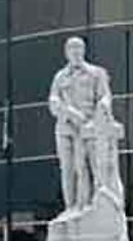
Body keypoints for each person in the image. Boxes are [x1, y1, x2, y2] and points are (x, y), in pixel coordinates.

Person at [48, 37, 113, 214]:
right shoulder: (60, 77)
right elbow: (53, 102)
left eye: (78, 48)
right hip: (66, 128)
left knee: (89, 167)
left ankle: (90, 204)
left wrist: (104, 106)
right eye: (71, 49)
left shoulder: (96, 73)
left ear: (84, 51)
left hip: (88, 127)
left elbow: (105, 96)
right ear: (66, 52)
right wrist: (68, 112)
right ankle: (71, 207)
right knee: (67, 168)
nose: (75, 52)